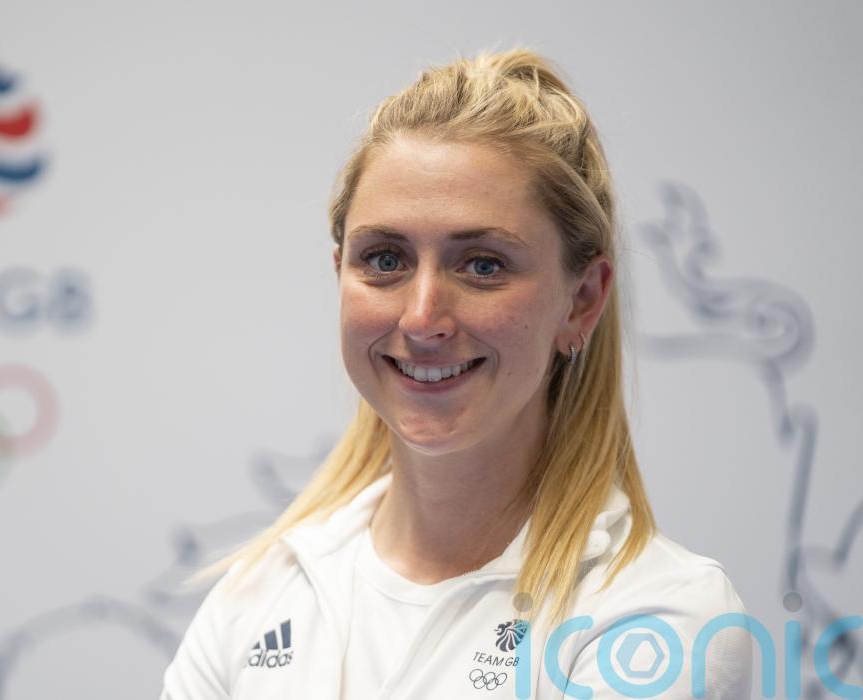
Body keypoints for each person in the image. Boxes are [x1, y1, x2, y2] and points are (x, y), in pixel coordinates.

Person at [159, 47, 753, 699]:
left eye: (483, 266)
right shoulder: (258, 596)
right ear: (339, 274)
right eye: (385, 260)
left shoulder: (659, 618)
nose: (422, 318)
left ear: (581, 300)